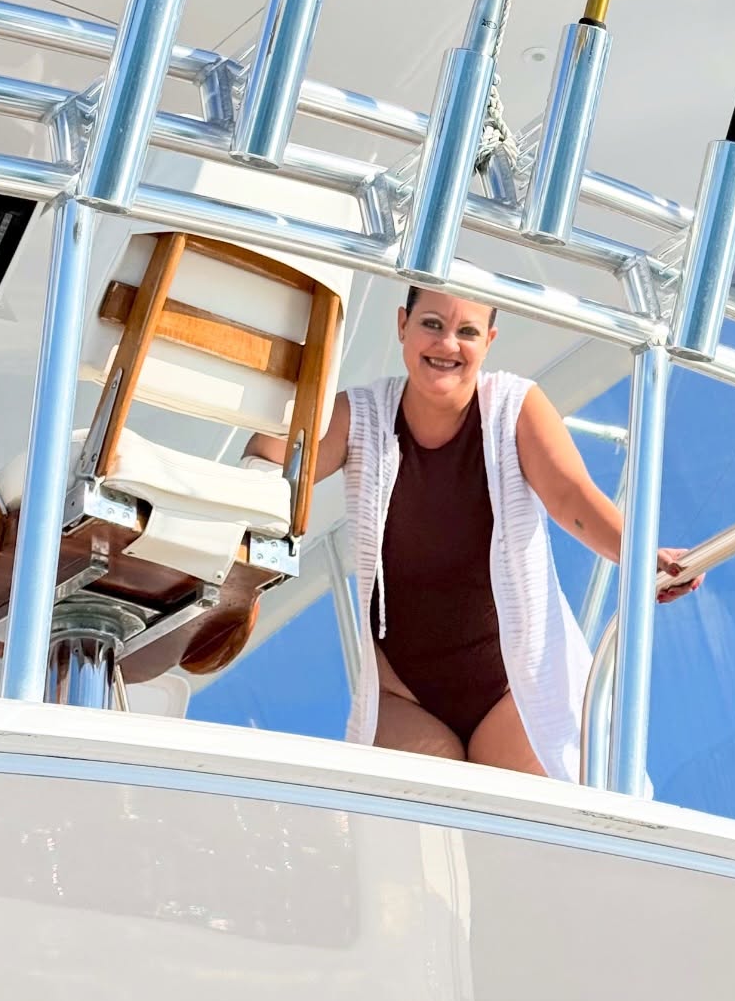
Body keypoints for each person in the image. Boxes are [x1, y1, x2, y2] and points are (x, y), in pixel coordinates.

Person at [248, 286, 697, 780]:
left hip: (513, 691)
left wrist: (640, 558)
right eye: (432, 324)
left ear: (489, 341)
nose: (447, 345)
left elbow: (570, 497)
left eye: (467, 331)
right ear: (402, 324)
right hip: (406, 698)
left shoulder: (513, 406)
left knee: (522, 847)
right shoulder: (364, 415)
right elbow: (272, 460)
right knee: (408, 845)